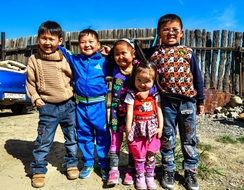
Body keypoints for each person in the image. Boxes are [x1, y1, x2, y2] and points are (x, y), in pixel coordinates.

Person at [149, 13, 205, 190]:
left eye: (175, 30)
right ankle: (169, 169)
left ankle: (190, 172)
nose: (170, 33)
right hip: (166, 104)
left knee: (189, 139)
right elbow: (135, 56)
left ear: (181, 33)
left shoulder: (187, 52)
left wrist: (201, 101)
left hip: (187, 102)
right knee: (168, 137)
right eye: (165, 29)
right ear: (158, 33)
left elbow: (198, 78)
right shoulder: (155, 54)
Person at [26, 21, 79, 188]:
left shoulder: (66, 58)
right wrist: (35, 98)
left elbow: (76, 76)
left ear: (60, 41)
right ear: (38, 39)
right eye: (43, 38)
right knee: (44, 139)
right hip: (47, 106)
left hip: (68, 105)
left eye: (51, 39)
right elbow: (30, 82)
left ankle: (71, 163)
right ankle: (39, 169)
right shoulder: (34, 60)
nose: (47, 42)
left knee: (71, 138)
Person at [58, 29, 111, 181]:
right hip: (81, 106)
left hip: (99, 105)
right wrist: (59, 43)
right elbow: (63, 51)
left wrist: (110, 53)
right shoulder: (75, 60)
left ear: (98, 44)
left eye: (90, 42)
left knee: (102, 134)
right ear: (78, 45)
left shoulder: (104, 61)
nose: (87, 45)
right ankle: (88, 162)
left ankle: (103, 162)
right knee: (83, 134)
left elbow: (121, 60)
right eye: (82, 42)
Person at [125, 58, 164, 190]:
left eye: (147, 81)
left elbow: (159, 110)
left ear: (154, 81)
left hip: (152, 129)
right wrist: (128, 128)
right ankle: (140, 176)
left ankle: (149, 175)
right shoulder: (131, 94)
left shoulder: (155, 95)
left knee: (151, 153)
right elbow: (129, 112)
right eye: (139, 80)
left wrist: (160, 127)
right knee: (139, 154)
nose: (142, 84)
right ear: (134, 78)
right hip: (137, 129)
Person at [107, 38, 136, 186]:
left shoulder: (139, 68)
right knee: (114, 141)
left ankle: (131, 170)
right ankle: (113, 170)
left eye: (123, 53)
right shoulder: (114, 69)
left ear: (133, 54)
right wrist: (107, 54)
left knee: (132, 141)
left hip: (134, 114)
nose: (120, 57)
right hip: (116, 113)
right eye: (116, 54)